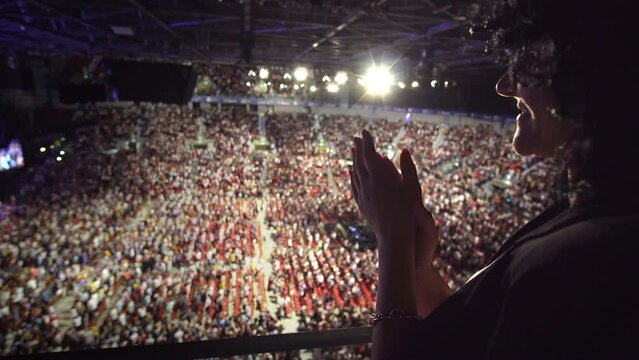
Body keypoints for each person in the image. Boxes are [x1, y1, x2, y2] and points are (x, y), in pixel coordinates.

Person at [349, 1, 639, 358]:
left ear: (590, 74)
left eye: (530, 61)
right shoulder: (580, 215)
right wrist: (415, 267)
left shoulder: (581, 259)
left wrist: (391, 238)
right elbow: (471, 338)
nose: (503, 85)